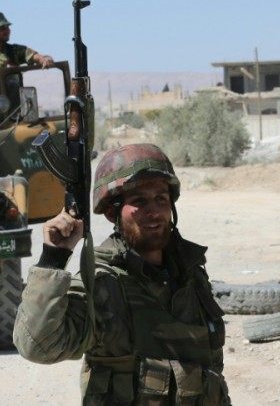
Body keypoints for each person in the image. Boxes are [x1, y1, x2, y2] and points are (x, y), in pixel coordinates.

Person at [13, 143, 231, 405]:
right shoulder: (103, 283)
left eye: (161, 199)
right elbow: (37, 346)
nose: (154, 211)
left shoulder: (191, 274)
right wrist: (53, 259)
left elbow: (211, 372)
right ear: (111, 211)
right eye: (139, 201)